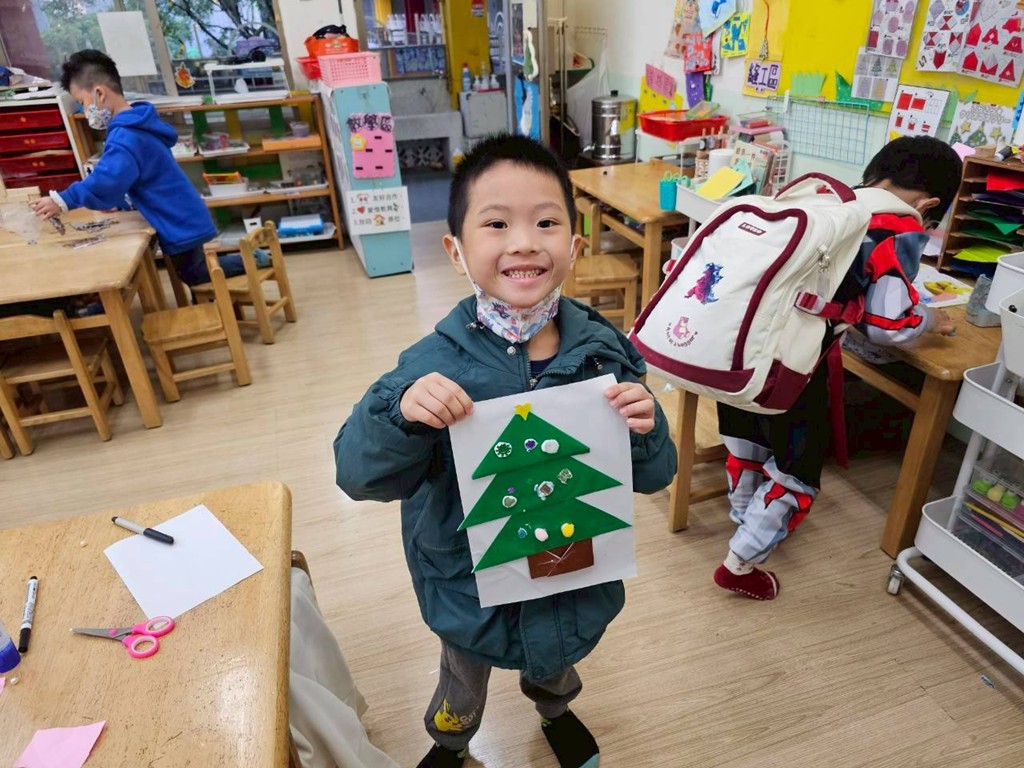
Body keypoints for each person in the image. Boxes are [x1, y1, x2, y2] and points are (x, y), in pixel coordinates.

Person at [333, 134, 677, 768]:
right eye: (496, 224)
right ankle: (452, 741)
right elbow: (358, 476)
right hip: (469, 583)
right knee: (462, 680)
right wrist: (399, 412)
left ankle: (556, 711)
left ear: (575, 245)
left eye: (546, 222)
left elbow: (655, 475)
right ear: (456, 251)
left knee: (557, 663)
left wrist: (646, 426)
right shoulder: (429, 367)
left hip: (570, 570)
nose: (523, 242)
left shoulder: (604, 356)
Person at [713, 136, 963, 601]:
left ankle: (745, 521)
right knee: (797, 468)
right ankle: (740, 563)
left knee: (747, 444)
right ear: (928, 204)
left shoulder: (823, 196)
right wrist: (930, 320)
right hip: (792, 365)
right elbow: (887, 324)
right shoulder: (894, 227)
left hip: (735, 349)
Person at [31, 49, 251, 287]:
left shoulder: (125, 136)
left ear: (99, 94)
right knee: (194, 269)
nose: (84, 111)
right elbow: (138, 175)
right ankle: (249, 259)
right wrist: (121, 201)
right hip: (181, 212)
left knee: (194, 273)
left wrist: (62, 199)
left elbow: (106, 180)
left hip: (176, 218)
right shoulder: (137, 122)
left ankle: (253, 259)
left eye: (82, 102)